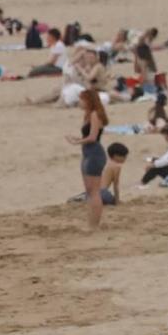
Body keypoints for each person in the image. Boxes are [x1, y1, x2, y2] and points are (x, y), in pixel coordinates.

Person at [68, 86, 110, 229]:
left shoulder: (94, 114)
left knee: (94, 191)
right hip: (87, 152)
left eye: (82, 100)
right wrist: (79, 139)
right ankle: (91, 222)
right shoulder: (88, 114)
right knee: (89, 190)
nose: (79, 102)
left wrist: (77, 142)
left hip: (94, 153)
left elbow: (92, 137)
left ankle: (94, 224)